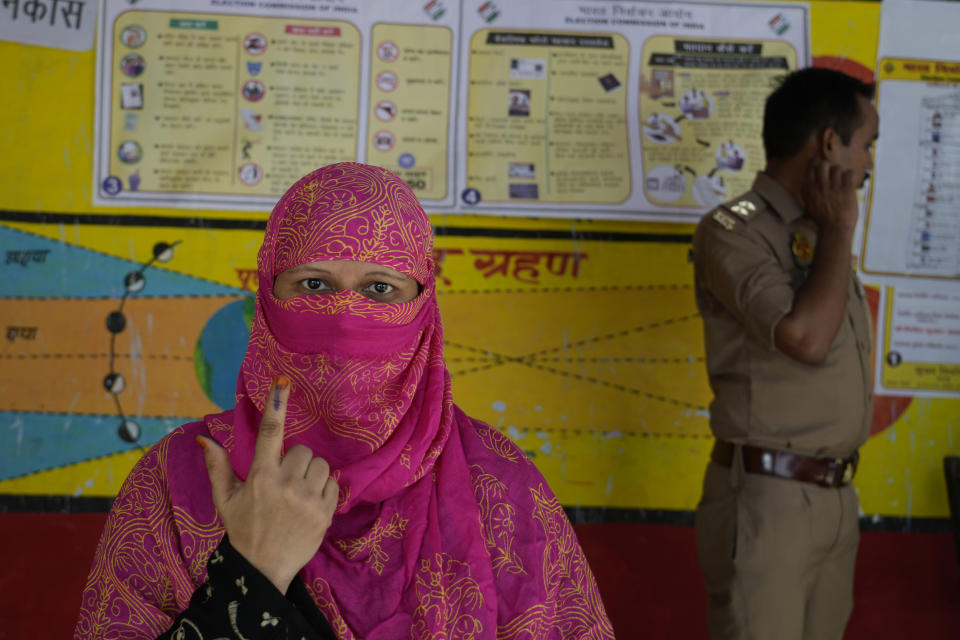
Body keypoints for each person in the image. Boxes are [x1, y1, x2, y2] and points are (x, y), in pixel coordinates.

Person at [75, 162, 614, 639]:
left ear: (423, 307)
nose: (344, 314)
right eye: (313, 285)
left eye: (381, 289)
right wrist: (253, 567)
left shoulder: (498, 484)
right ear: (267, 296)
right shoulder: (178, 477)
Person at [692, 68, 878, 639]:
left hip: (834, 497)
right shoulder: (733, 230)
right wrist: (842, 228)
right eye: (866, 144)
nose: (870, 162)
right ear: (828, 143)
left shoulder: (822, 231)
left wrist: (833, 231)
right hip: (768, 501)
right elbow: (805, 339)